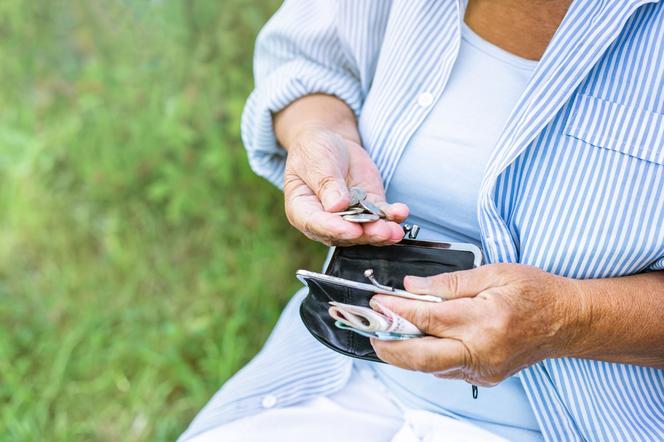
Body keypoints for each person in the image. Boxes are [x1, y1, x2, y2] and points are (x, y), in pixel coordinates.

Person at [180, 0, 664, 440]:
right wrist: (323, 132)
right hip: (340, 374)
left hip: (578, 423)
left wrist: (568, 318)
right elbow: (307, 58)